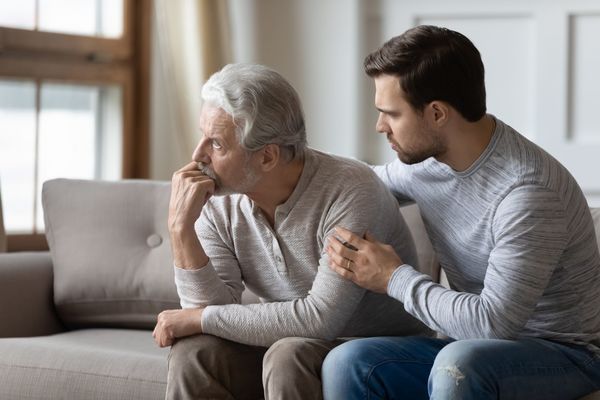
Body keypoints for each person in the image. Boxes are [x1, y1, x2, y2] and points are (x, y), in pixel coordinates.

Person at [322, 25, 600, 400]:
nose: (379, 126)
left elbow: (492, 323)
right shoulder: (426, 163)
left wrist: (392, 278)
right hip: (467, 346)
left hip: (565, 355)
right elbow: (359, 183)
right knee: (349, 362)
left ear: (437, 113)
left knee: (462, 362)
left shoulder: (527, 192)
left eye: (391, 114)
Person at [152, 63, 429, 400]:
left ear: (267, 157)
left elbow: (321, 318)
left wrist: (201, 319)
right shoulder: (216, 198)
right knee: (195, 352)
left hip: (375, 352)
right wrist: (181, 230)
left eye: (217, 145)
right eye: (202, 137)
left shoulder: (350, 190)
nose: (198, 156)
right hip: (292, 345)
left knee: (288, 355)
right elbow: (209, 310)